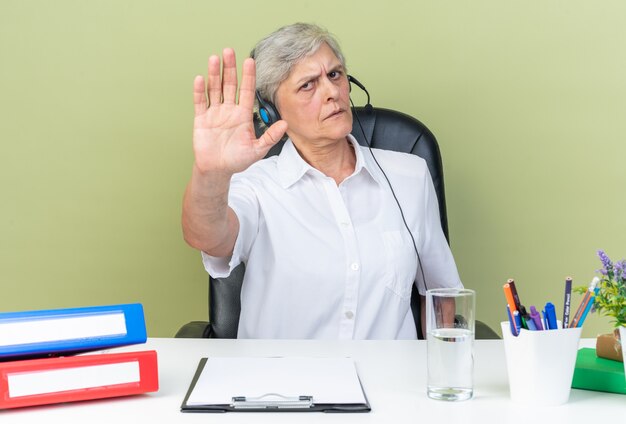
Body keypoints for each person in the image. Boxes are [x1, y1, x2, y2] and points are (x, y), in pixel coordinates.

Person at [182, 23, 462, 339]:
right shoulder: (255, 185)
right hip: (284, 382)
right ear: (272, 113)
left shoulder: (410, 176)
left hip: (387, 382)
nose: (331, 92)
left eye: (334, 75)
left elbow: (441, 293)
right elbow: (207, 237)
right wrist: (210, 172)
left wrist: (442, 373)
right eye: (307, 85)